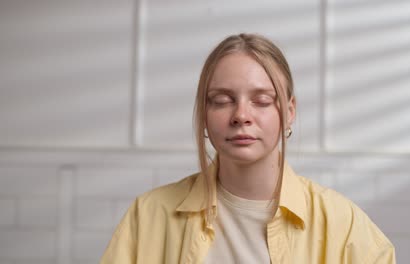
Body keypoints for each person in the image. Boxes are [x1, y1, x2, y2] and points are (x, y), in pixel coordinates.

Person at [100, 33, 395, 264]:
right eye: (222, 100)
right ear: (204, 113)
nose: (241, 115)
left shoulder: (346, 228)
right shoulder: (148, 216)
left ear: (289, 111)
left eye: (262, 100)